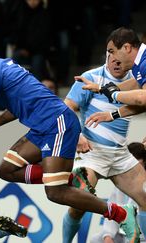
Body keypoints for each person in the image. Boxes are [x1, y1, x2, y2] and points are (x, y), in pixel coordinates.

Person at [0, 40, 140, 240]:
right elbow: (18, 104)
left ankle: (120, 213)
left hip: (57, 124)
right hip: (43, 127)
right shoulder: (1, 65)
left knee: (55, 192)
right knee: (6, 169)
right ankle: (71, 179)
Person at [62, 52, 145, 243]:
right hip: (92, 152)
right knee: (78, 204)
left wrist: (113, 114)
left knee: (145, 198)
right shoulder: (90, 77)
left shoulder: (136, 80)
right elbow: (66, 108)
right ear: (106, 56)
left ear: (129, 57)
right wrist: (77, 135)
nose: (116, 62)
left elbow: (141, 103)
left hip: (120, 154)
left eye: (120, 58)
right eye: (111, 56)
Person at [79, 27, 146, 237]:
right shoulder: (140, 67)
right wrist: (103, 90)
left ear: (127, 47)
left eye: (112, 51)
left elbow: (142, 99)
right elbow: (132, 89)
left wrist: (112, 93)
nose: (112, 58)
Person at [90, 142, 146, 243]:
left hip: (141, 236)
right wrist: (108, 236)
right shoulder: (123, 183)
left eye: (137, 164)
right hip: (125, 235)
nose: (132, 169)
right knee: (97, 239)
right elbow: (114, 209)